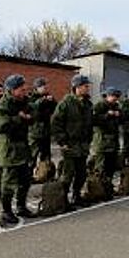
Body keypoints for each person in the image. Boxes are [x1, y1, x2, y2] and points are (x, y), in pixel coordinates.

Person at [0, 75, 36, 223]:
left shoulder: (24, 102)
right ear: (12, 90)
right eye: (21, 89)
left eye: (25, 89)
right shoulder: (4, 104)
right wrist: (19, 118)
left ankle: (21, 207)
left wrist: (30, 117)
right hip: (9, 149)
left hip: (23, 147)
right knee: (9, 182)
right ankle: (6, 211)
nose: (25, 91)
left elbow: (34, 113)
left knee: (25, 180)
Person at [51, 74, 93, 207]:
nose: (88, 88)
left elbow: (90, 123)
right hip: (70, 145)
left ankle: (76, 196)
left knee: (82, 173)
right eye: (85, 86)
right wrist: (62, 141)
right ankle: (63, 200)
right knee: (67, 175)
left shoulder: (88, 104)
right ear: (77, 87)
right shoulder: (66, 103)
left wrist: (89, 139)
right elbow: (56, 123)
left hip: (83, 145)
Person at [92, 87, 122, 199]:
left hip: (113, 142)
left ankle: (108, 188)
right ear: (108, 95)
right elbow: (94, 120)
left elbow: (124, 118)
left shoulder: (116, 106)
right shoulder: (100, 106)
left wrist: (118, 115)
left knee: (111, 167)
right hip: (102, 142)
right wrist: (107, 115)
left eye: (117, 97)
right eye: (114, 96)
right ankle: (98, 189)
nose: (116, 99)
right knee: (100, 168)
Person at [28, 77, 57, 174]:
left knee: (46, 156)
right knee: (32, 156)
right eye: (42, 86)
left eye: (45, 86)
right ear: (36, 88)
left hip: (46, 132)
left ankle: (44, 174)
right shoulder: (31, 98)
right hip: (34, 133)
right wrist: (42, 101)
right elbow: (33, 110)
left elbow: (55, 109)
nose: (45, 88)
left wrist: (52, 101)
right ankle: (28, 176)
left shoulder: (48, 97)